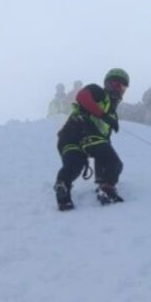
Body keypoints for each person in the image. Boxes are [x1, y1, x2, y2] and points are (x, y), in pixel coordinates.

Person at [53, 68, 129, 210]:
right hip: (85, 130)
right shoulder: (98, 92)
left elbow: (102, 150)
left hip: (67, 136)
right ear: (107, 84)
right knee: (115, 163)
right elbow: (82, 96)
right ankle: (107, 189)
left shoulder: (111, 113)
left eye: (122, 87)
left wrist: (100, 178)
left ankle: (63, 185)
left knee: (75, 164)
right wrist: (104, 115)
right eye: (115, 85)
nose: (119, 89)